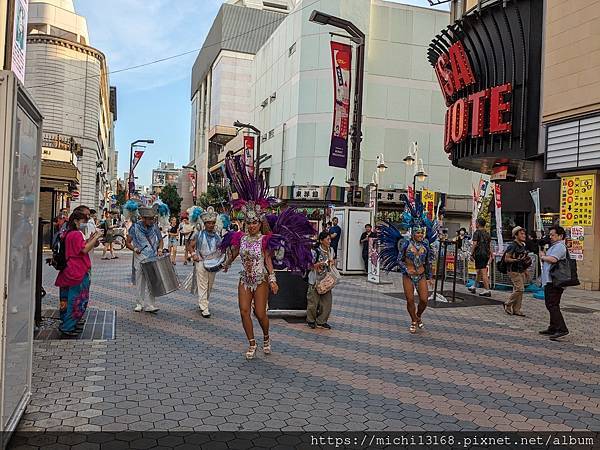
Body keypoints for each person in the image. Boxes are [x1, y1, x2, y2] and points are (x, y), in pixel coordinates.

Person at [223, 214, 279, 360]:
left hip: (260, 279)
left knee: (260, 314)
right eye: (249, 222)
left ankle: (266, 337)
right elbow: (235, 253)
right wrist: (227, 263)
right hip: (245, 280)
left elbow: (267, 260)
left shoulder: (264, 240)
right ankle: (252, 343)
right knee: (244, 311)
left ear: (260, 224)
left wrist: (272, 279)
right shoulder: (241, 238)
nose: (252, 225)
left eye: (255, 222)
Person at [379, 196, 437, 334]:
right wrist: (406, 269)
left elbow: (428, 261)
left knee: (424, 300)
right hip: (408, 275)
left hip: (421, 275)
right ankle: (413, 320)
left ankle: (418, 316)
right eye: (417, 232)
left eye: (421, 232)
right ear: (412, 233)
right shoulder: (405, 244)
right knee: (410, 300)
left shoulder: (426, 245)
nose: (420, 235)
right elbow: (399, 260)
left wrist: (430, 277)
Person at [54, 207, 102, 337]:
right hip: (77, 271)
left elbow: (80, 246)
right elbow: (84, 249)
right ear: (76, 220)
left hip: (68, 270)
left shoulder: (67, 232)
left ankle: (66, 323)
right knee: (76, 300)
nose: (86, 221)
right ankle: (68, 326)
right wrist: (96, 237)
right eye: (84, 219)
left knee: (66, 299)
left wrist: (91, 240)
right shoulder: (76, 234)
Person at [125, 206, 163, 313]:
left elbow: (160, 240)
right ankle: (139, 303)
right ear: (143, 218)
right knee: (140, 280)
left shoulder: (155, 227)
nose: (152, 221)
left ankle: (150, 304)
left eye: (153, 218)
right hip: (140, 257)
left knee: (152, 281)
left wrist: (160, 249)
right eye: (150, 219)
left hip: (152, 257)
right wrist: (134, 248)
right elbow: (127, 243)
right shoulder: (135, 228)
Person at [189, 208, 223, 318]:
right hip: (201, 262)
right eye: (209, 223)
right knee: (202, 284)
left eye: (213, 223)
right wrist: (193, 255)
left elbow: (221, 250)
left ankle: (204, 302)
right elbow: (190, 245)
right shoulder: (198, 234)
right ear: (205, 223)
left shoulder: (217, 236)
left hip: (213, 264)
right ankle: (204, 306)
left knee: (209, 285)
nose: (211, 225)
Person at [539, 226, 569, 340]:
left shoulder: (560, 246)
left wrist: (543, 256)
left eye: (553, 235)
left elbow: (553, 259)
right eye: (550, 235)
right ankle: (553, 327)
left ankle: (562, 329)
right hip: (550, 280)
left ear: (560, 236)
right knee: (550, 304)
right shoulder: (554, 246)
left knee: (552, 304)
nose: (550, 237)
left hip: (555, 281)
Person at [306, 231, 336, 329]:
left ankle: (321, 321)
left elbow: (333, 263)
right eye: (327, 239)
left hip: (326, 281)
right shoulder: (315, 251)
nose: (329, 241)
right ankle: (311, 320)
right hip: (315, 280)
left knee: (327, 302)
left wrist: (332, 263)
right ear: (321, 240)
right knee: (313, 302)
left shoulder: (331, 251)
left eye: (330, 239)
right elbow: (308, 266)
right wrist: (318, 264)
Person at [503, 226, 532, 317]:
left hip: (520, 270)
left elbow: (523, 260)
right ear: (516, 235)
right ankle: (508, 303)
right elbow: (506, 259)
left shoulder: (522, 245)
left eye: (524, 234)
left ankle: (516, 309)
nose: (524, 236)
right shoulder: (512, 246)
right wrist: (516, 260)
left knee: (519, 290)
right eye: (521, 234)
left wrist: (525, 270)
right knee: (520, 289)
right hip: (513, 270)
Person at [469, 218, 492, 297]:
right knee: (479, 270)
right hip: (486, 254)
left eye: (476, 223)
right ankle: (474, 286)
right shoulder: (487, 233)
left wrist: (471, 254)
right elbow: (489, 245)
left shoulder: (477, 232)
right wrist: (491, 254)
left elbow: (474, 244)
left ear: (478, 224)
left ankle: (487, 290)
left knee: (483, 271)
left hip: (479, 254)